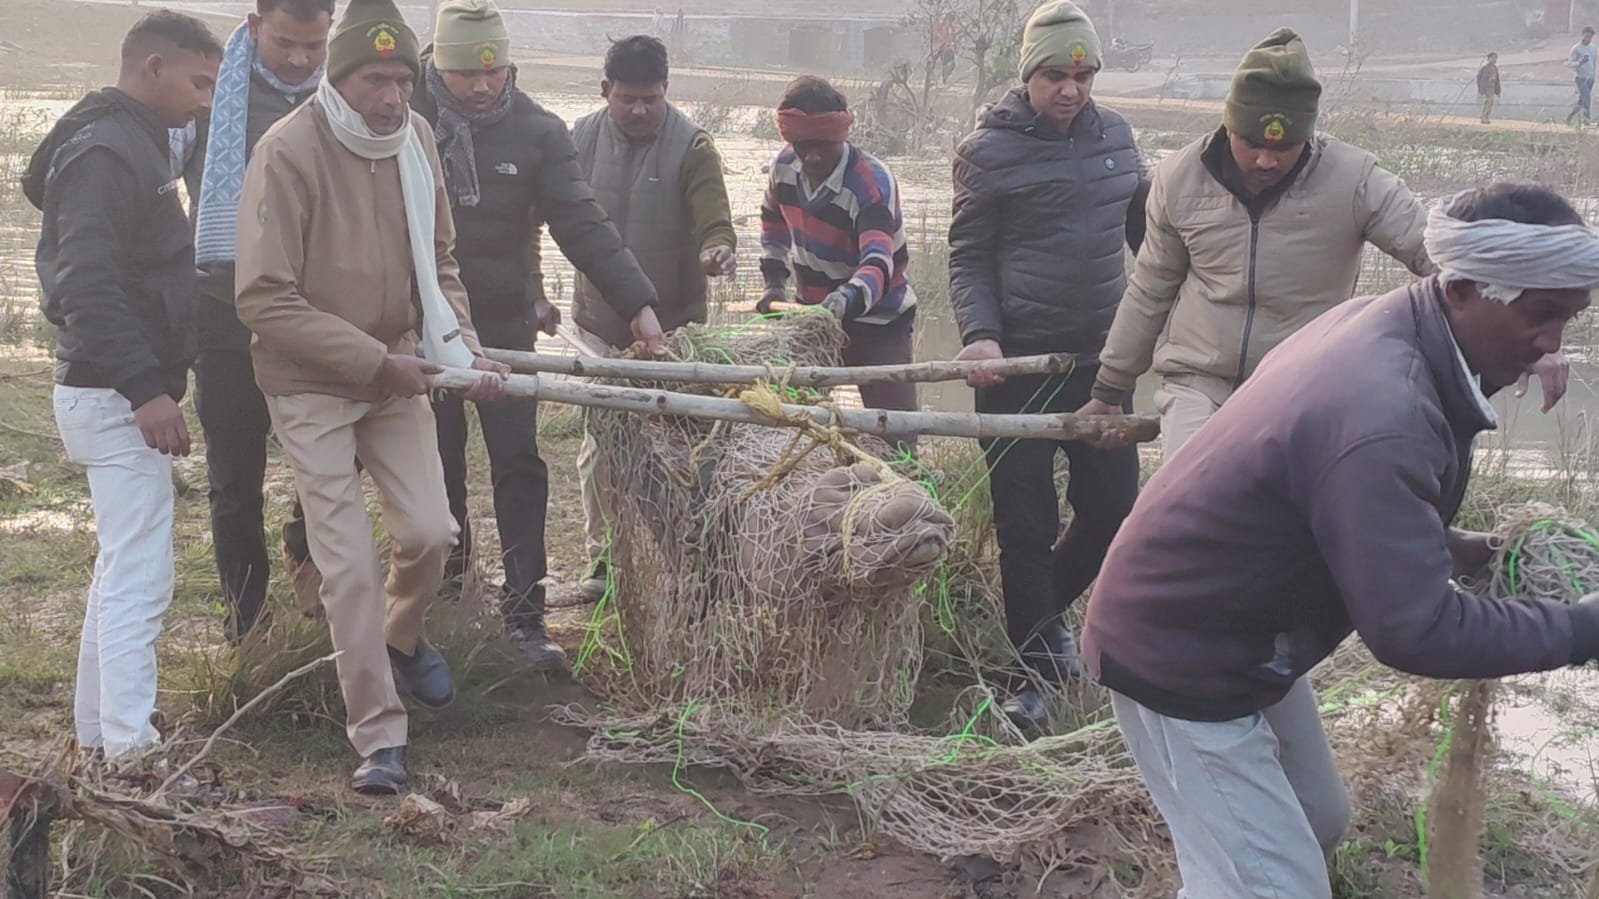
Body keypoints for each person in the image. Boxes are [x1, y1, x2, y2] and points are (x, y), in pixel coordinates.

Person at [1081, 182, 1599, 899]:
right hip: (1177, 652)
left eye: (1568, 319)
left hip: (1237, 626)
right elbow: (1416, 630)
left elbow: (1321, 492)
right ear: (1459, 288)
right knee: (1275, 888)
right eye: (1541, 316)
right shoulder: (1382, 406)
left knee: (1313, 817)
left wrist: (1447, 545)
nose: (1553, 344)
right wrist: (1580, 629)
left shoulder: (1388, 320)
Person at [235, 0, 510, 794]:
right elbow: (262, 297)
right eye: (374, 80)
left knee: (431, 529)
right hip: (311, 383)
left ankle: (398, 635)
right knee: (347, 562)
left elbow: (442, 258)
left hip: (397, 370)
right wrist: (369, 360)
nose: (392, 97)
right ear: (338, 74)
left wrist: (458, 343)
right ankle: (379, 734)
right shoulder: (286, 153)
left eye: (402, 79)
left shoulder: (416, 140)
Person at [413, 0, 661, 666]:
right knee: (435, 468)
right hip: (420, 321)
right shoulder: (401, 117)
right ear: (437, 63)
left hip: (503, 322)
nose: (481, 87)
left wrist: (638, 303)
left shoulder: (537, 131)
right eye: (466, 73)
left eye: (494, 74)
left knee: (519, 462)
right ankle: (445, 600)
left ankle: (525, 616)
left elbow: (583, 222)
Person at [1078, 28, 1433, 457]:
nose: (1267, 160)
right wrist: (1111, 385)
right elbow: (1150, 288)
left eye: (1284, 148)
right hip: (1199, 381)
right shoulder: (1179, 178)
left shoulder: (1355, 181)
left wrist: (1526, 325)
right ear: (1230, 124)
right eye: (1252, 145)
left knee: (1288, 513)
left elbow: (1436, 251)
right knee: (1192, 504)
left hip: (1306, 381)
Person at [23, 11, 221, 759]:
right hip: (112, 392)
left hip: (111, 387)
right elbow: (89, 283)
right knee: (142, 578)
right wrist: (147, 390)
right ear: (153, 68)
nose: (205, 100)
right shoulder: (107, 152)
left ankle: (99, 737)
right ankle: (133, 751)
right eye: (199, 82)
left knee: (121, 569)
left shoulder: (129, 142)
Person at [947, 0, 1147, 729]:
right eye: (1055, 75)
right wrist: (980, 336)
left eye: (1083, 74)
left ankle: (1040, 629)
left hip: (1102, 364)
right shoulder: (987, 149)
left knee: (1112, 508)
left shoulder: (1117, 138)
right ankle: (1033, 669)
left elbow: (1151, 248)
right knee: (1024, 522)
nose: (1071, 89)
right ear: (1028, 73)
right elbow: (968, 257)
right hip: (1019, 366)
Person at [182, 0, 334, 643]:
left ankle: (306, 550)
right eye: (283, 43)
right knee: (233, 475)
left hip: (316, 313)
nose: (298, 59)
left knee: (331, 460)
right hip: (223, 310)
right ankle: (245, 624)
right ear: (252, 27)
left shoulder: (348, 100)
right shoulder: (203, 98)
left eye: (313, 45)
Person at [570, 35, 735, 603]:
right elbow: (545, 216)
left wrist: (718, 250)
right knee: (602, 446)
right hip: (598, 322)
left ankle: (686, 560)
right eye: (629, 99)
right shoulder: (578, 138)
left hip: (674, 328)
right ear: (605, 92)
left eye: (652, 99)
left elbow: (715, 219)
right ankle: (604, 561)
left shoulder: (694, 146)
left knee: (680, 446)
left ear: (666, 92)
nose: (640, 110)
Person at [758, 76, 918, 428]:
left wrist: (845, 299)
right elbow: (773, 223)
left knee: (895, 431)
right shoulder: (784, 167)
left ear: (840, 137)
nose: (812, 156)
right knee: (797, 424)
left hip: (879, 324)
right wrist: (774, 283)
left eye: (822, 145)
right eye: (803, 145)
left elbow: (878, 263)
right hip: (811, 317)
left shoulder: (870, 185)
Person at [1568, 26, 1596, 125]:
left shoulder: (1593, 48)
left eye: (1590, 37)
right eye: (1586, 36)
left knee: (1582, 100)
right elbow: (1570, 64)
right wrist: (1580, 63)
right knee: (1587, 99)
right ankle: (1586, 121)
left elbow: (1594, 63)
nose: (1587, 39)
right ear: (1582, 36)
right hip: (1580, 78)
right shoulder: (1576, 49)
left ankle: (1569, 117)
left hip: (1590, 78)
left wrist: (1593, 76)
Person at [1478, 51, 1501, 124]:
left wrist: (1498, 90)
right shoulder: (1485, 68)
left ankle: (1483, 115)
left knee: (1488, 101)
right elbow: (1479, 78)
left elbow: (1497, 80)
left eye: (1495, 58)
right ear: (1488, 59)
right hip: (1487, 87)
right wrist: (1481, 88)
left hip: (1492, 87)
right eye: (1493, 58)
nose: (1494, 60)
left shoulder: (1495, 68)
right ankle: (1485, 117)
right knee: (1490, 101)